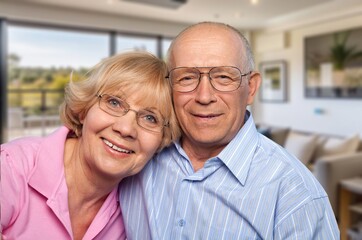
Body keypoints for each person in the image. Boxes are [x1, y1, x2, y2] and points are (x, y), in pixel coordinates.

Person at [119, 22, 340, 239]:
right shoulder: (138, 154)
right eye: (186, 77)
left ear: (251, 88)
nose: (204, 97)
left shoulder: (296, 197)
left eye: (223, 77)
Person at [0, 52, 180, 240]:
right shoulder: (12, 166)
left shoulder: (139, 212)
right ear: (84, 110)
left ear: (162, 140)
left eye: (150, 118)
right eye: (114, 102)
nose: (126, 128)